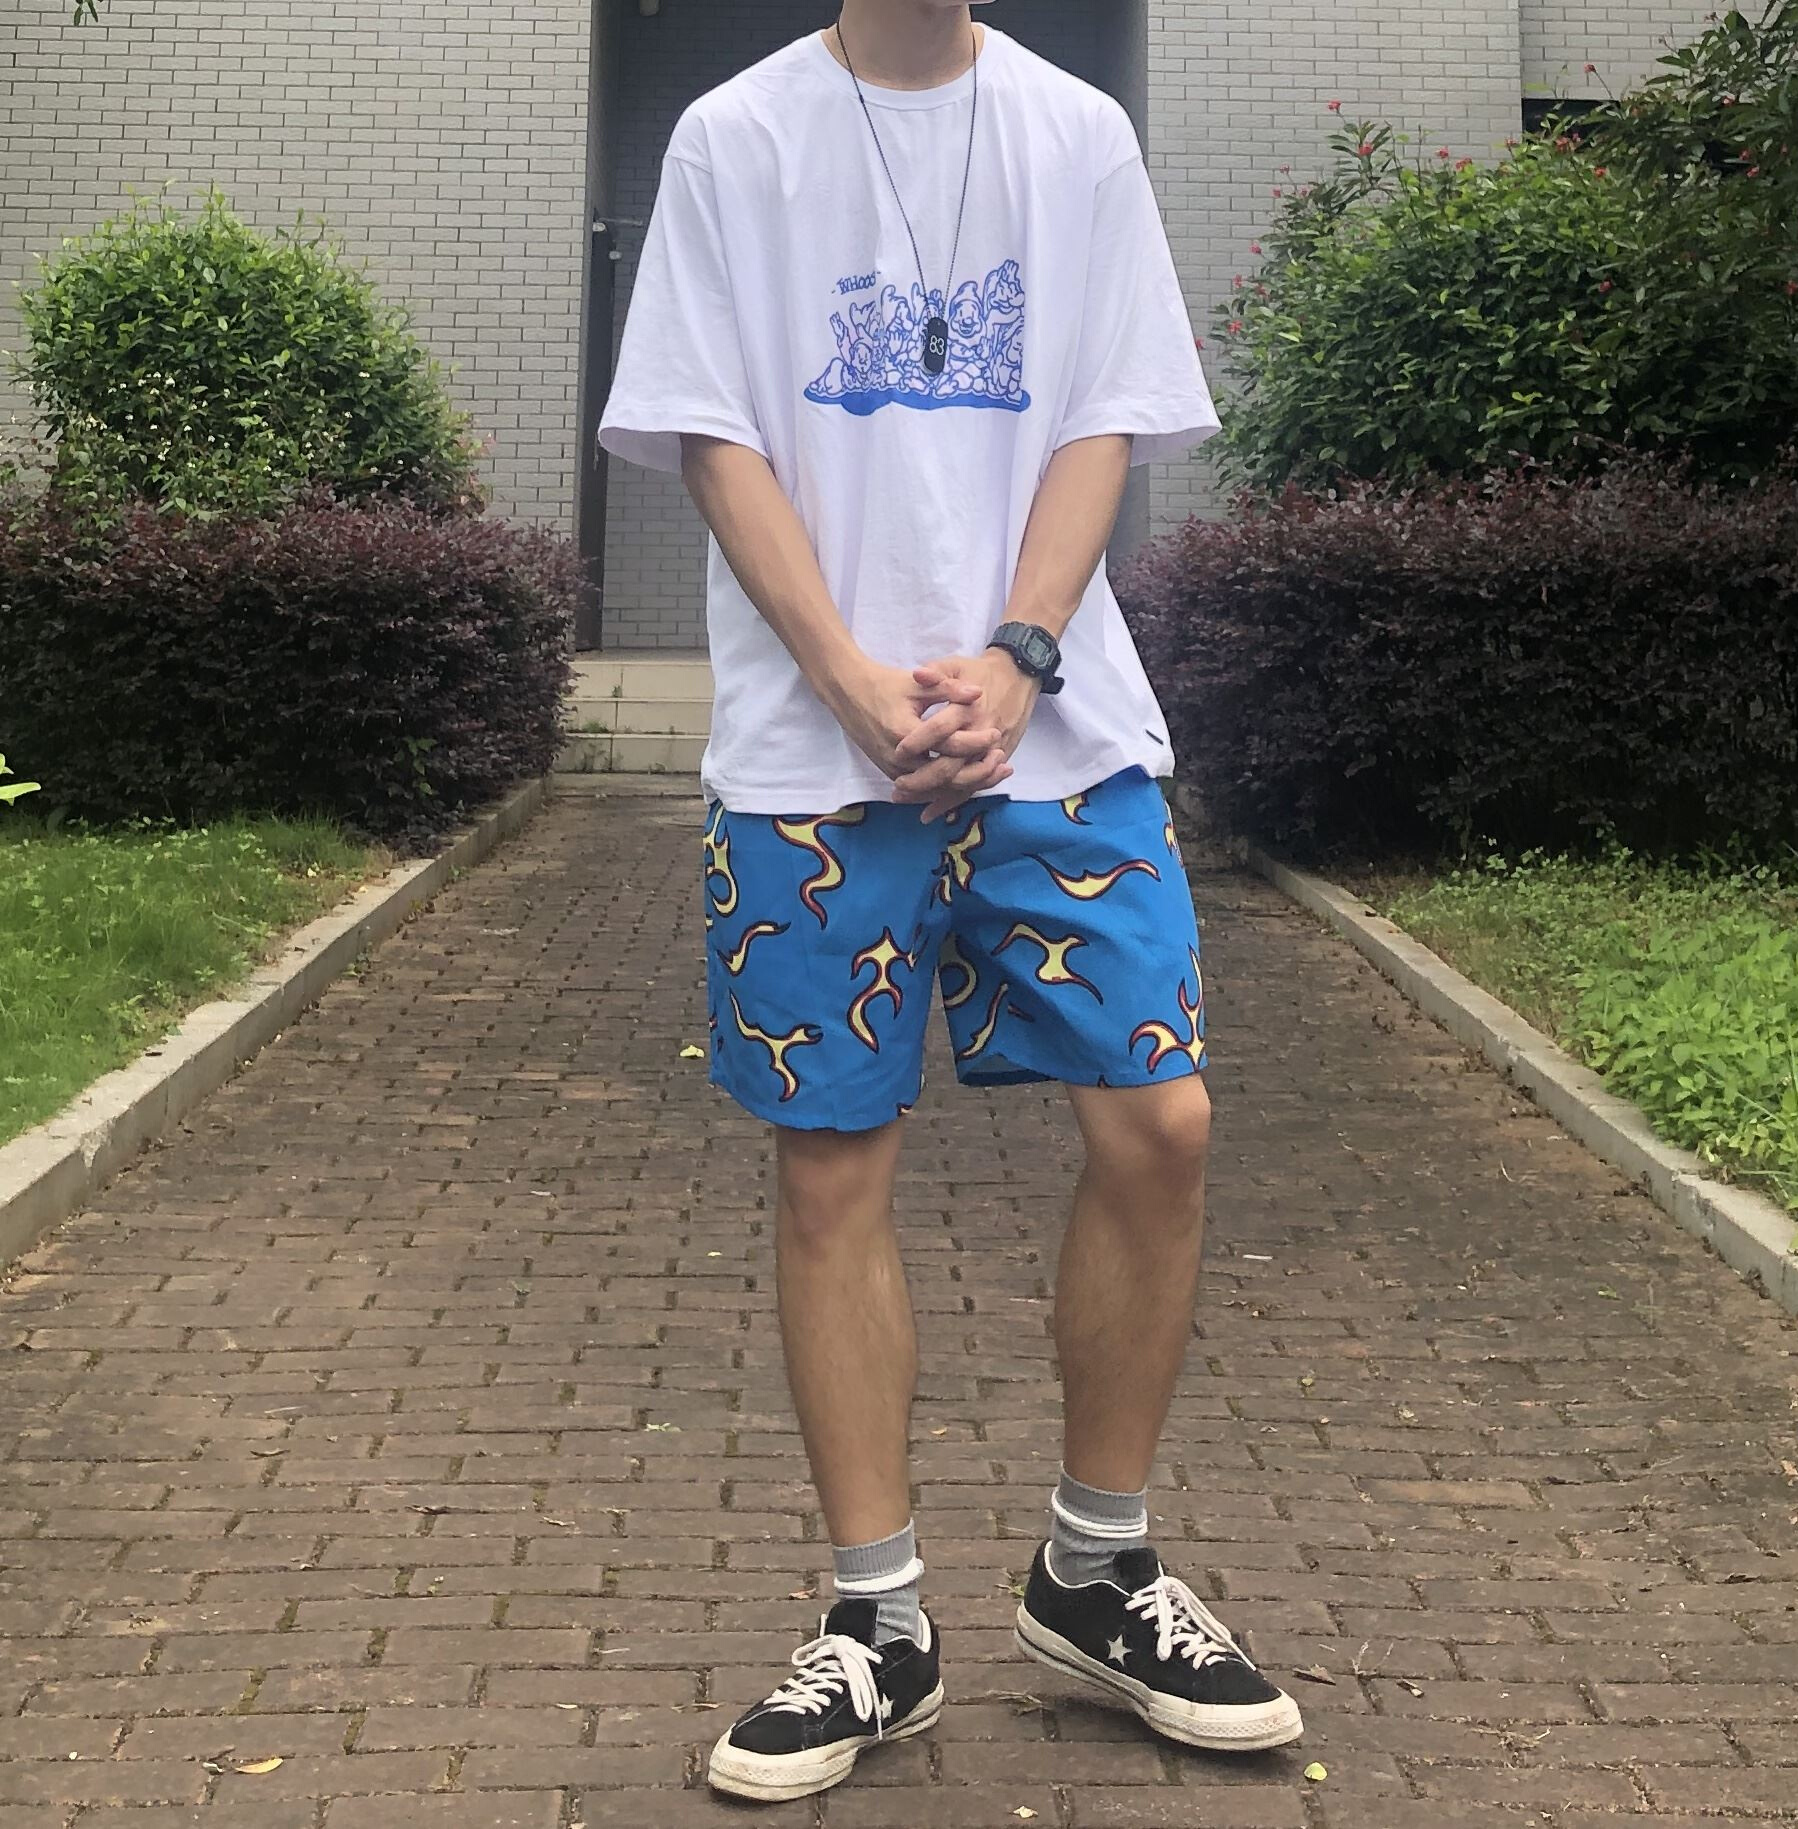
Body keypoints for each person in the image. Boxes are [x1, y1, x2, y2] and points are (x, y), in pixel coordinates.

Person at [597, 0, 1304, 1803]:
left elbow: (1100, 421)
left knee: (1159, 1119)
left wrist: (1016, 653)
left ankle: (1095, 1573)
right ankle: (876, 1622)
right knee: (830, 1162)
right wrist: (844, 677)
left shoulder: (1075, 132)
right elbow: (713, 434)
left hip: (1057, 740)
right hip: (807, 758)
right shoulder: (734, 137)